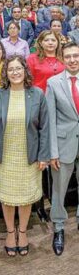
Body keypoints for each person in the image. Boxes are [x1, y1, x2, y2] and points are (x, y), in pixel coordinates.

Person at [0, 55, 49, 257]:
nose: (15, 72)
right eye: (11, 69)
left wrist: (43, 156)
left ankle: (22, 232)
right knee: (7, 197)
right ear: (6, 73)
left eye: (18, 68)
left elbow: (44, 129)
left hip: (28, 155)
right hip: (5, 155)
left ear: (25, 71)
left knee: (25, 197)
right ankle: (10, 233)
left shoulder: (37, 94)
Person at [46, 42, 79, 256]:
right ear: (62, 59)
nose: (73, 60)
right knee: (59, 190)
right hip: (63, 144)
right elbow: (50, 120)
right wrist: (53, 151)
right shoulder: (53, 83)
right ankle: (58, 227)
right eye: (68, 56)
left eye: (76, 55)